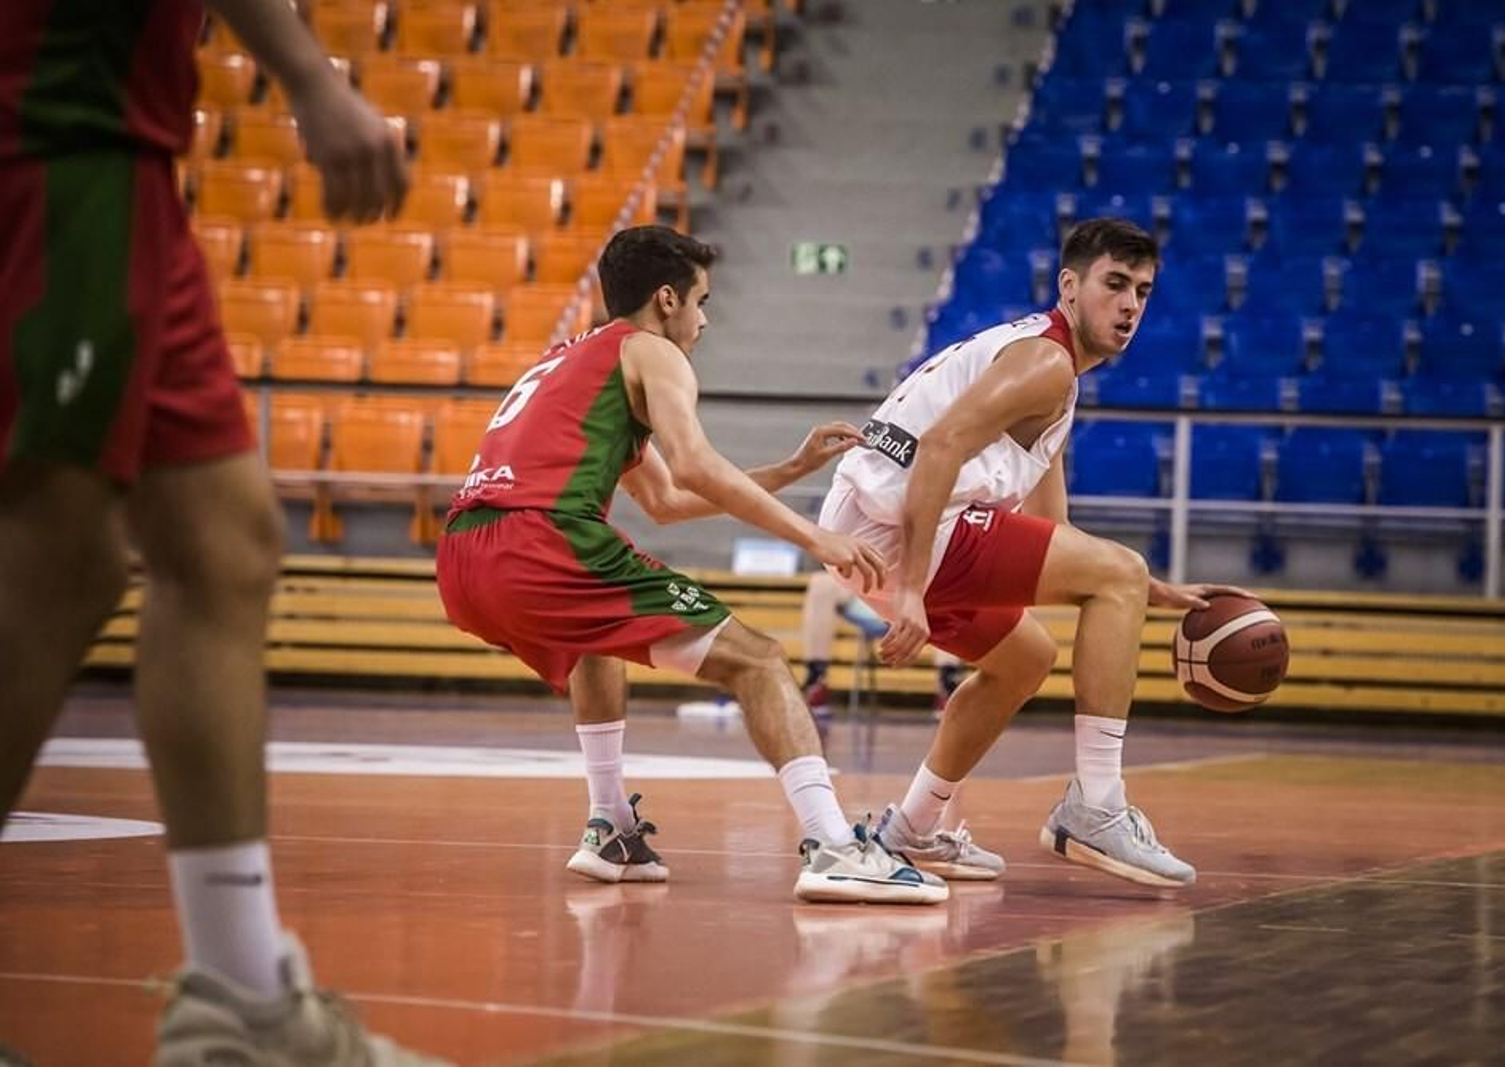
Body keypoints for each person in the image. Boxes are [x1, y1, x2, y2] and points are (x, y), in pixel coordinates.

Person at [0, 2, 446, 1064]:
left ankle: (240, 1002)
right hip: (61, 119)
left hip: (127, 148)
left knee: (223, 542)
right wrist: (308, 76)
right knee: (57, 555)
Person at [435, 225, 947, 906]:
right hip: (538, 538)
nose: (704, 319)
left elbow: (669, 501)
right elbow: (699, 466)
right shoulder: (652, 351)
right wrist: (814, 538)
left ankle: (610, 824)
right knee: (759, 660)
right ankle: (835, 845)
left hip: (462, 554)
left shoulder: (572, 360)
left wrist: (791, 468)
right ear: (667, 298)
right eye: (703, 301)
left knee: (598, 639)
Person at [818, 218, 1248, 887]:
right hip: (901, 529)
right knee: (1116, 575)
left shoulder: (1053, 375)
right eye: (1115, 283)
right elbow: (940, 447)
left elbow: (1053, 529)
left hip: (874, 527)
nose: (1131, 304)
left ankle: (911, 829)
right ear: (1070, 287)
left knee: (1027, 656)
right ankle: (1098, 807)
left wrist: (1142, 587)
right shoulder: (1045, 362)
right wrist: (911, 591)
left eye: (1143, 289)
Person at [799, 570, 965, 725]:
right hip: (867, 595)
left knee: (945, 580)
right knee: (821, 582)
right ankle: (816, 677)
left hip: (917, 600)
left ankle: (948, 681)